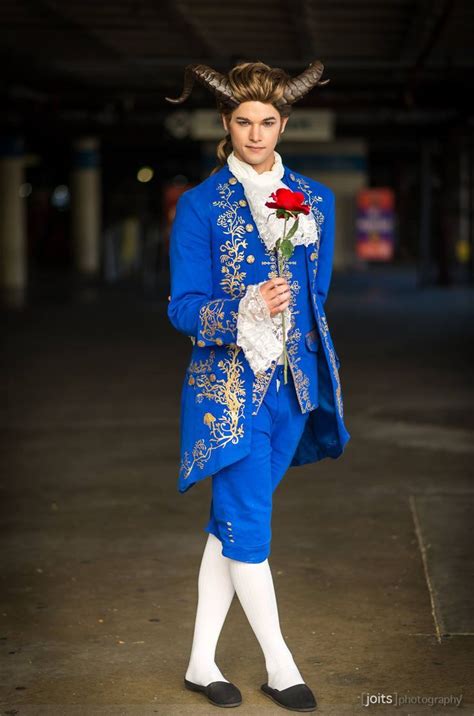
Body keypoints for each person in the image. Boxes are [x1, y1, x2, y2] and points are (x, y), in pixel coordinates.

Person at [165, 60, 350, 712]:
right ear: (225, 123)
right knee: (249, 528)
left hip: (293, 391)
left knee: (231, 529)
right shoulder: (198, 206)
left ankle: (198, 662)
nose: (255, 133)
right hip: (229, 393)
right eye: (242, 121)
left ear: (284, 123)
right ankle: (281, 666)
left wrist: (288, 325)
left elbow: (315, 293)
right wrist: (243, 306)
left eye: (267, 121)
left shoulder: (314, 199)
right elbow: (182, 307)